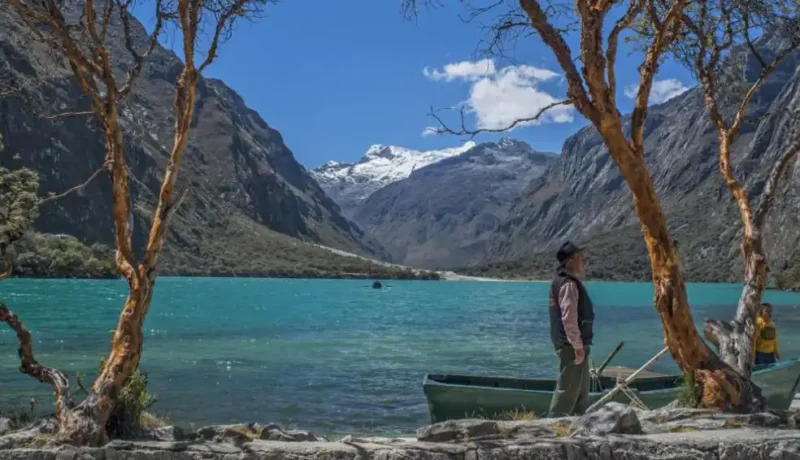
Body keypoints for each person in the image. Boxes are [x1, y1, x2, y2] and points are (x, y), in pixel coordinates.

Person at [548, 241, 594, 417]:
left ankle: (576, 428)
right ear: (569, 262)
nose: (584, 261)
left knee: (580, 393)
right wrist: (578, 347)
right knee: (567, 393)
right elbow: (569, 319)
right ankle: (553, 429)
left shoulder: (565, 282)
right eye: (580, 258)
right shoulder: (568, 285)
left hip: (574, 346)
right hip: (571, 347)